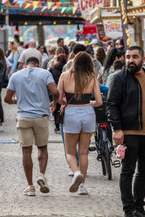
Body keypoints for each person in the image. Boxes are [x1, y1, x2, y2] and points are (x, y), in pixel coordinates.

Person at [107, 46, 145, 217]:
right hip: (129, 132)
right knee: (128, 171)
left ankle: (139, 208)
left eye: (134, 57)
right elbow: (112, 105)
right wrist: (117, 129)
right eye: (127, 57)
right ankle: (129, 210)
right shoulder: (120, 78)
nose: (130, 60)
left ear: (142, 58)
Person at [5, 57, 59, 196]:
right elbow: (56, 92)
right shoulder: (45, 73)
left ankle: (30, 186)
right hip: (40, 116)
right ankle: (41, 174)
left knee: (26, 151)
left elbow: (6, 98)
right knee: (42, 147)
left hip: (23, 117)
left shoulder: (15, 76)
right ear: (38, 64)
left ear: (24, 64)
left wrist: (16, 100)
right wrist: (54, 102)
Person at [58, 52, 103, 195]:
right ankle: (83, 186)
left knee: (70, 152)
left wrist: (65, 103)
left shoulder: (65, 76)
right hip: (88, 113)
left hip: (71, 113)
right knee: (83, 152)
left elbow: (59, 98)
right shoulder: (92, 78)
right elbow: (99, 102)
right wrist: (90, 102)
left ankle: (76, 172)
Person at [49, 53, 67, 134]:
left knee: (55, 108)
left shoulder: (52, 68)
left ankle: (57, 127)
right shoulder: (66, 68)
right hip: (65, 91)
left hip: (54, 90)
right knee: (63, 107)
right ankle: (63, 123)